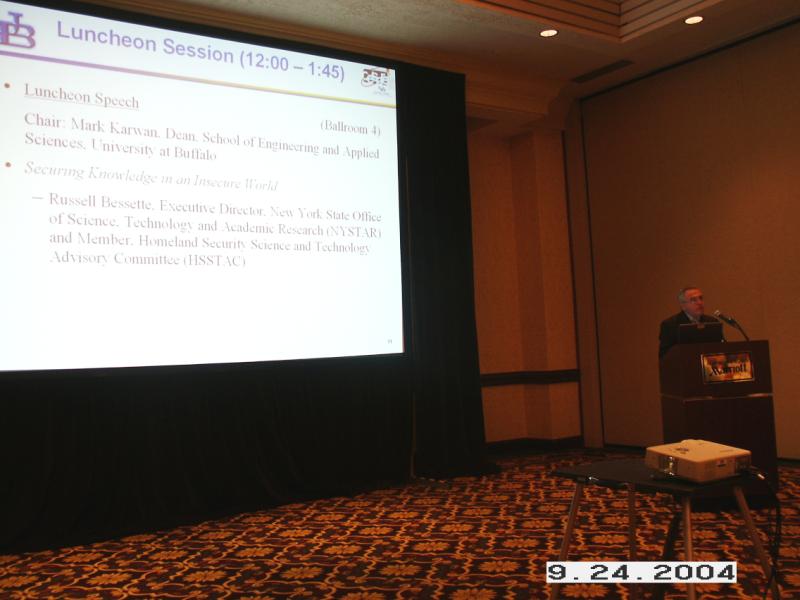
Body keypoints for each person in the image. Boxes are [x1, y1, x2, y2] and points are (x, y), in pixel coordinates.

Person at [658, 287, 721, 358]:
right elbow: (665, 356)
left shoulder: (712, 322)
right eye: (693, 300)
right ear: (683, 306)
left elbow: (720, 348)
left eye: (701, 298)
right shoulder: (670, 325)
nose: (699, 302)